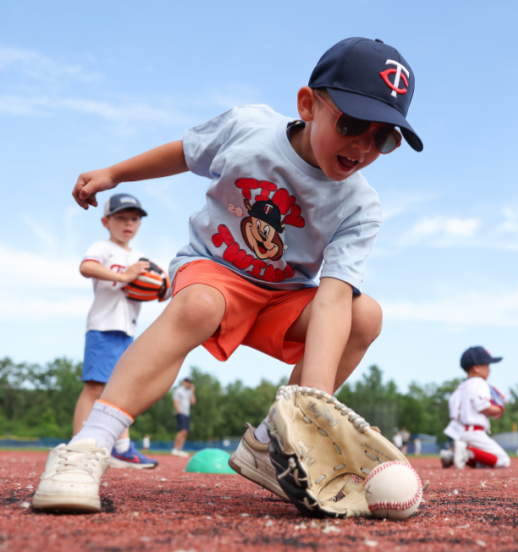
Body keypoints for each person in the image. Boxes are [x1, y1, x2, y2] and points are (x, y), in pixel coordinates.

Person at [35, 37, 421, 514]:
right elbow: (185, 152)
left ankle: (274, 443)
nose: (363, 145)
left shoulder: (361, 205)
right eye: (352, 123)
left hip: (281, 298)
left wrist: (310, 410)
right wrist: (115, 174)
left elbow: (335, 297)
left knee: (366, 315)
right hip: (215, 270)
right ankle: (88, 445)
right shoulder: (248, 128)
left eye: (384, 138)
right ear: (308, 105)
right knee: (200, 305)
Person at [76, 193, 160, 469]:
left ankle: (122, 448)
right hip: (102, 327)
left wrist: (163, 288)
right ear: (106, 222)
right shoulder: (103, 247)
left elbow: (157, 286)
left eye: (134, 218)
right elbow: (86, 267)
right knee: (94, 387)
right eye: (121, 217)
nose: (128, 223)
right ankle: (79, 447)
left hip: (128, 331)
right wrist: (125, 276)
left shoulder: (140, 257)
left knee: (122, 390)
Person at [444, 346, 511, 469]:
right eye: (487, 366)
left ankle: (452, 456)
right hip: (474, 432)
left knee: (483, 462)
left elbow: (452, 415)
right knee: (503, 460)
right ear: (477, 367)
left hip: (459, 433)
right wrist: (500, 408)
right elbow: (483, 407)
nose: (490, 369)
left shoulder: (458, 389)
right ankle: (465, 452)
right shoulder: (480, 384)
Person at [170, 377, 196, 457]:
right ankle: (175, 449)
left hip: (187, 414)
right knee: (182, 431)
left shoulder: (189, 392)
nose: (188, 383)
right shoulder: (179, 390)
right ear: (183, 382)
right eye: (187, 381)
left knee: (185, 432)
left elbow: (193, 402)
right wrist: (179, 412)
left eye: (189, 382)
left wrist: (192, 391)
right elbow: (175, 402)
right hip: (180, 413)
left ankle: (179, 449)